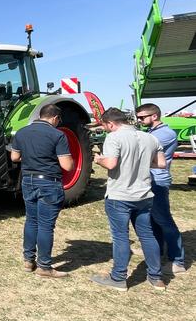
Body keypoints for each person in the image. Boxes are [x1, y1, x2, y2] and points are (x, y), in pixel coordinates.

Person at [90, 108, 167, 291]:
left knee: (120, 237)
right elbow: (162, 163)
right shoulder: (150, 138)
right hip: (144, 195)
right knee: (147, 235)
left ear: (110, 123)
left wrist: (99, 159)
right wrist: (140, 162)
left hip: (120, 196)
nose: (107, 130)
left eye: (106, 127)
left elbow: (111, 164)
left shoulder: (114, 138)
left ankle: (118, 278)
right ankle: (156, 278)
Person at [10, 104, 73, 278]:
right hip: (48, 183)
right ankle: (44, 266)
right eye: (58, 120)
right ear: (55, 118)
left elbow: (14, 157)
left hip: (28, 181)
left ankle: (28, 260)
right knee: (46, 225)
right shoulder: (58, 135)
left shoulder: (22, 132)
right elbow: (67, 165)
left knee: (31, 221)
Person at [135, 103, 186, 274]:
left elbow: (141, 150)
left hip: (157, 181)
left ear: (154, 116)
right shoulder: (152, 132)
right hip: (148, 180)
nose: (139, 120)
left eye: (142, 117)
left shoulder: (165, 134)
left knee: (164, 220)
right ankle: (156, 250)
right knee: (152, 219)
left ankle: (178, 261)